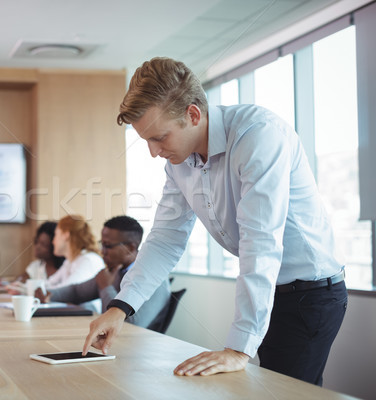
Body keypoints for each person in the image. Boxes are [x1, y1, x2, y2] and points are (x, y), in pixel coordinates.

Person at [83, 57, 347, 386]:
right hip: (270, 288)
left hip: (310, 293)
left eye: (159, 138)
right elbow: (165, 239)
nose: (154, 152)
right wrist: (119, 308)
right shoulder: (179, 163)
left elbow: (260, 242)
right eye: (147, 140)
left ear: (193, 114)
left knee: (285, 393)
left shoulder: (258, 136)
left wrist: (238, 348)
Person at [35, 216, 170, 328]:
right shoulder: (117, 269)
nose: (102, 251)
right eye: (102, 244)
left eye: (108, 246)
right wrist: (49, 295)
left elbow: (130, 324)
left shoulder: (153, 278)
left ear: (130, 247)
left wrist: (106, 287)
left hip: (140, 348)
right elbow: (77, 292)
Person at [45, 215, 105, 291]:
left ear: (66, 235)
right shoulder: (70, 261)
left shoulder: (88, 260)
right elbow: (49, 283)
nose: (53, 241)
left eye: (56, 235)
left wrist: (40, 291)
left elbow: (66, 290)